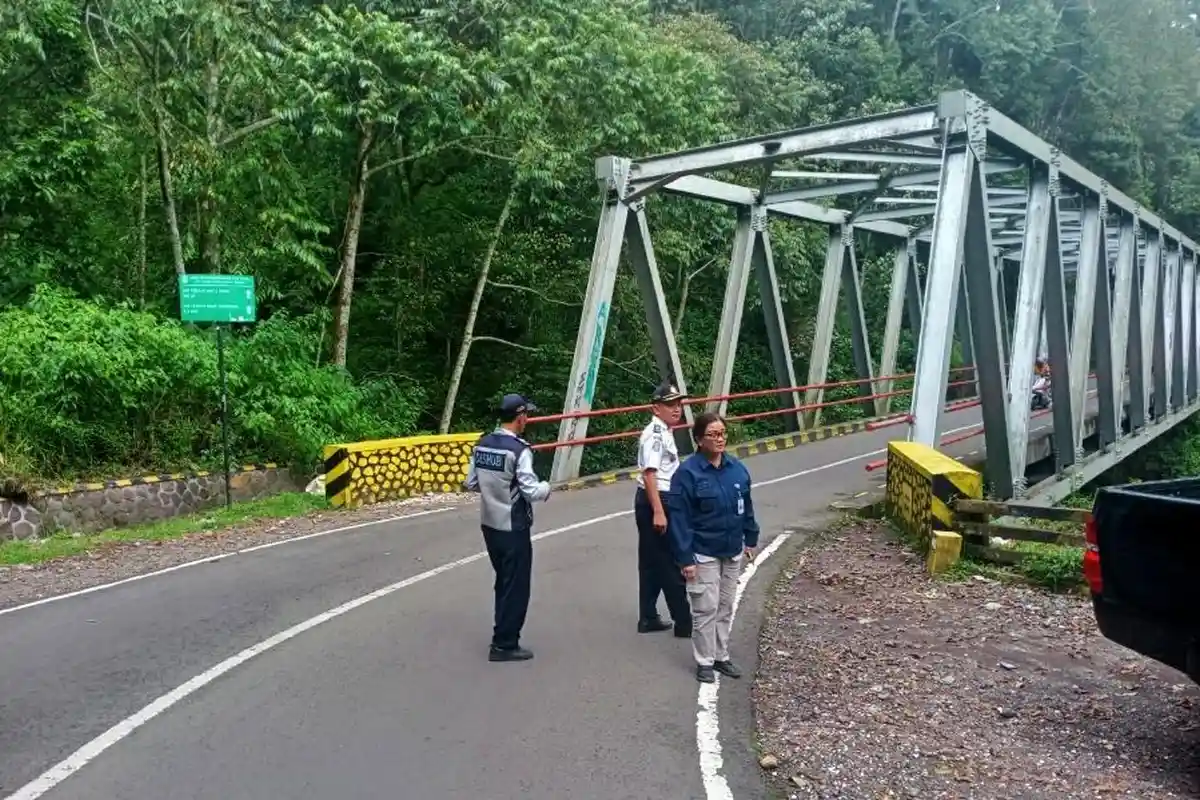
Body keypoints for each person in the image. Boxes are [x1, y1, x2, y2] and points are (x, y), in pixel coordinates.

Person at [667, 411, 760, 684]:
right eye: (713, 435)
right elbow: (679, 520)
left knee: (725, 606)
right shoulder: (687, 474)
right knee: (705, 608)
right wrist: (685, 558)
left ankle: (721, 655)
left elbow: (747, 507)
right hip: (702, 551)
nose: (719, 439)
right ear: (698, 439)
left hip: (731, 549)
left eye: (722, 434)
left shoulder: (737, 470)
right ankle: (705, 661)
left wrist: (750, 539)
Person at [465, 393, 551, 662]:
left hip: (489, 524)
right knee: (516, 586)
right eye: (527, 415)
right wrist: (547, 488)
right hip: (513, 526)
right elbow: (529, 490)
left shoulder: (483, 444)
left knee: (503, 581)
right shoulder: (519, 450)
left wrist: (493, 489)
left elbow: (470, 483)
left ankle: (501, 632)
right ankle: (504, 643)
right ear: (520, 416)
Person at [634, 381, 691, 638]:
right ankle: (684, 622)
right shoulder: (655, 435)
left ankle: (648, 616)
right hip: (658, 499)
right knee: (670, 561)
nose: (676, 409)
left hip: (652, 499)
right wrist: (658, 510)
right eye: (670, 405)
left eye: (678, 404)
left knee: (650, 561)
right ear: (656, 408)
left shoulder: (664, 430)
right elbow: (650, 474)